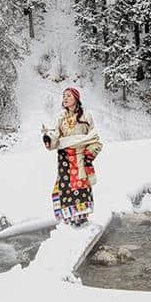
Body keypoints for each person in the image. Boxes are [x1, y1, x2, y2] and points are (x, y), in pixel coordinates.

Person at [41, 87, 102, 227]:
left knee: (80, 186)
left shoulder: (86, 116)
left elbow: (94, 138)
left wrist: (90, 153)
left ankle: (81, 219)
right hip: (64, 159)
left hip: (80, 156)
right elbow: (55, 136)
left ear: (76, 98)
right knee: (62, 188)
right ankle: (69, 219)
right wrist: (48, 138)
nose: (65, 98)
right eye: (64, 96)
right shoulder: (60, 118)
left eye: (68, 95)